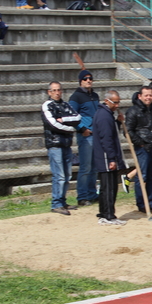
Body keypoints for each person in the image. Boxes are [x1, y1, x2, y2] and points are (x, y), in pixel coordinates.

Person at [41, 81, 80, 215]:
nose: (57, 93)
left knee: (67, 175)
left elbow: (78, 117)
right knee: (59, 176)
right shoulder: (47, 105)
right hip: (55, 145)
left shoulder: (65, 104)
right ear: (49, 92)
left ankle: (62, 201)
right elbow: (53, 125)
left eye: (59, 90)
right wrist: (70, 128)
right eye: (54, 90)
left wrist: (63, 120)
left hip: (66, 144)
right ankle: (56, 203)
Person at [125, 86, 152, 213]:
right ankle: (142, 203)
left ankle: (151, 201)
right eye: (145, 95)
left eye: (150, 95)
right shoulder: (133, 111)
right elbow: (128, 130)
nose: (148, 97)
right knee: (142, 176)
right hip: (143, 147)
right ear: (140, 96)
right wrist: (140, 143)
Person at [92, 90, 127, 226]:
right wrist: (112, 159)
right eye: (115, 102)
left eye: (118, 102)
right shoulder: (104, 115)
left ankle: (105, 213)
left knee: (108, 187)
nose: (117, 105)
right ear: (107, 101)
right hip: (106, 157)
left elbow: (110, 132)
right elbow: (106, 139)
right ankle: (108, 216)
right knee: (109, 188)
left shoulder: (107, 115)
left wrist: (117, 123)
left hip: (107, 156)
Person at [69, 69, 100, 206]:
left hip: (96, 134)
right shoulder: (76, 97)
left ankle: (92, 194)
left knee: (94, 167)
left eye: (90, 79)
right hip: (86, 136)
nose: (88, 81)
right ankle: (82, 196)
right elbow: (71, 116)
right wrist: (82, 129)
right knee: (85, 167)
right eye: (85, 79)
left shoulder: (95, 95)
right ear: (80, 81)